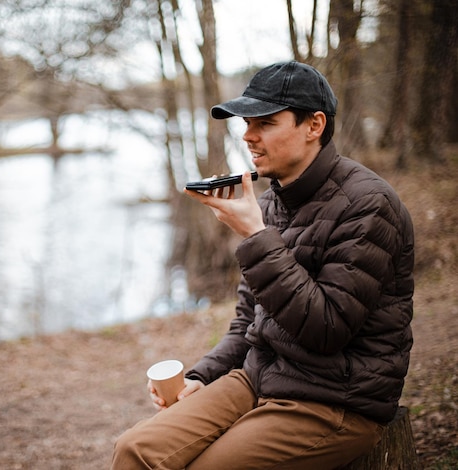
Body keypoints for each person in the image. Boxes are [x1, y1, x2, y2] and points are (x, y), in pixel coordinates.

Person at [111, 61, 415, 470]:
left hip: (336, 398)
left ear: (314, 125)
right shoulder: (269, 202)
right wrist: (202, 376)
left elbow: (327, 329)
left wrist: (257, 237)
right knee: (135, 450)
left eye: (266, 123)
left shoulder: (369, 205)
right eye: (246, 123)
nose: (248, 136)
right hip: (259, 376)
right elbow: (247, 320)